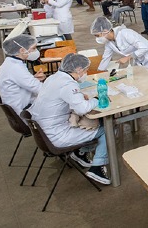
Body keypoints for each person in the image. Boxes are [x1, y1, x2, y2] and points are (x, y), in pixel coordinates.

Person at [29, 53, 110, 185]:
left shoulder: (53, 78)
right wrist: (97, 100)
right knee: (107, 129)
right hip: (56, 136)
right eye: (85, 70)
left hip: (42, 130)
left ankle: (81, 153)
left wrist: (78, 97)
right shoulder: (68, 84)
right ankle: (97, 168)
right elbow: (82, 109)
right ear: (78, 70)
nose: (86, 73)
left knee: (89, 122)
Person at [91, 17, 148, 124]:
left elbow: (144, 48)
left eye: (97, 35)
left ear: (105, 31)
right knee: (137, 86)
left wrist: (128, 57)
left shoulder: (125, 33)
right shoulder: (109, 43)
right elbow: (106, 58)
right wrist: (98, 74)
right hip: (139, 62)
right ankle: (135, 114)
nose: (97, 39)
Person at [0, 34, 45, 117]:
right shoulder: (15, 68)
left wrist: (33, 78)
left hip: (20, 106)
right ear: (22, 50)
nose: (36, 51)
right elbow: (40, 89)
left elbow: (22, 81)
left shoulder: (10, 63)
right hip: (24, 112)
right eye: (33, 48)